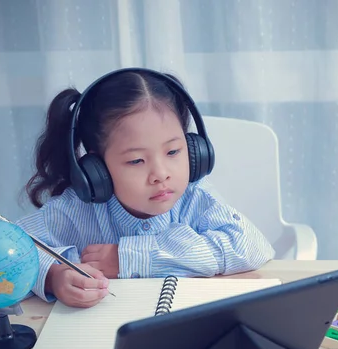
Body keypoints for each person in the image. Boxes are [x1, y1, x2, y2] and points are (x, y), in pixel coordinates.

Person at [16, 68, 275, 308]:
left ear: (195, 149)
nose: (161, 175)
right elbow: (10, 251)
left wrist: (128, 258)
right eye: (136, 160)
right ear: (97, 169)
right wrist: (53, 276)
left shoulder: (195, 196)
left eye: (173, 151)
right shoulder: (74, 210)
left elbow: (251, 247)